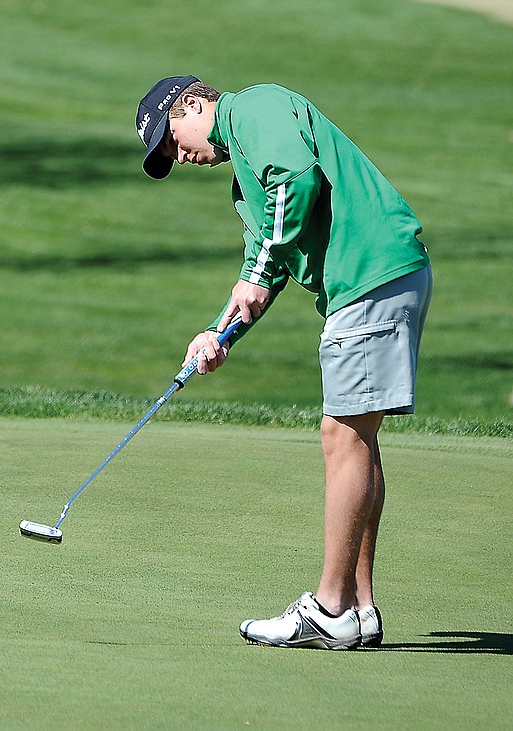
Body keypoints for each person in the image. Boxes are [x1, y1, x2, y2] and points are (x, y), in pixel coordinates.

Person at [135, 76, 432, 650]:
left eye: (172, 141)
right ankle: (359, 609)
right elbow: (265, 267)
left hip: (370, 276)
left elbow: (293, 180)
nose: (181, 158)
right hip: (376, 277)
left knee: (342, 434)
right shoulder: (245, 185)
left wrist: (256, 271)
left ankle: (329, 608)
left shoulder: (255, 109)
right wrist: (220, 333)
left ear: (191, 103)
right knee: (357, 437)